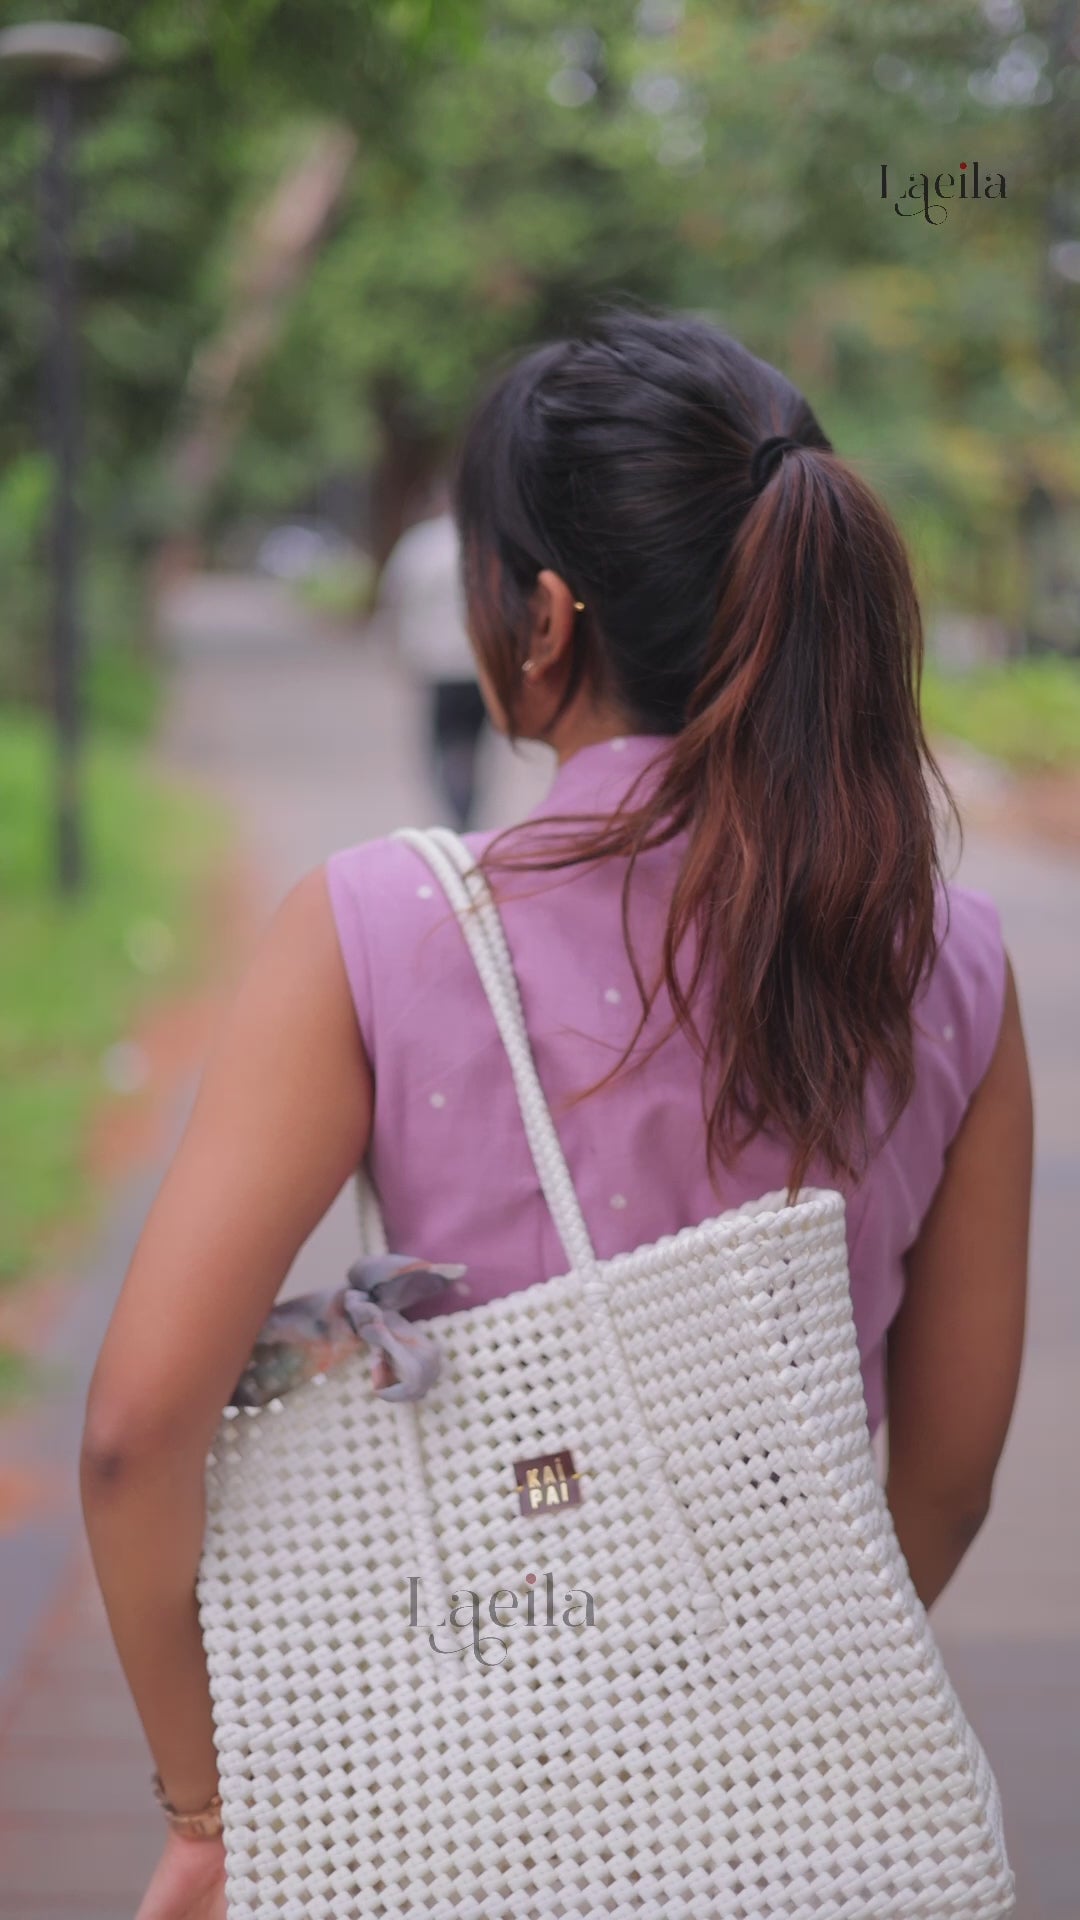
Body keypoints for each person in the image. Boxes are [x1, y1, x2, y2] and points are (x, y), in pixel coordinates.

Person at [80, 305, 1033, 1920]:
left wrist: (212, 1802)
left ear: (541, 617)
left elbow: (130, 1437)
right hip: (831, 1835)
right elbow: (946, 1474)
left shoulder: (384, 925)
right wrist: (748, 1689)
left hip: (466, 1816)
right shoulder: (947, 952)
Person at [378, 476, 489, 829]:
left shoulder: (419, 546)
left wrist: (395, 652)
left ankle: (454, 813)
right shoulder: (483, 545)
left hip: (437, 667)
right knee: (472, 747)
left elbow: (394, 600)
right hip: (478, 665)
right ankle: (465, 811)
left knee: (443, 746)